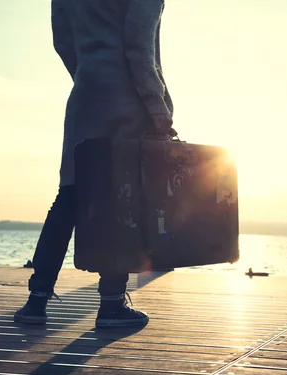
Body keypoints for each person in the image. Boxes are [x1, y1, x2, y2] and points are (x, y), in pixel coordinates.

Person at [14, 0, 174, 328]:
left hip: (85, 94)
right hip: (126, 97)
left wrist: (89, 72)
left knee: (70, 196)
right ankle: (112, 305)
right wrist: (158, 108)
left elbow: (62, 40)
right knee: (120, 203)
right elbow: (139, 44)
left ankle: (37, 300)